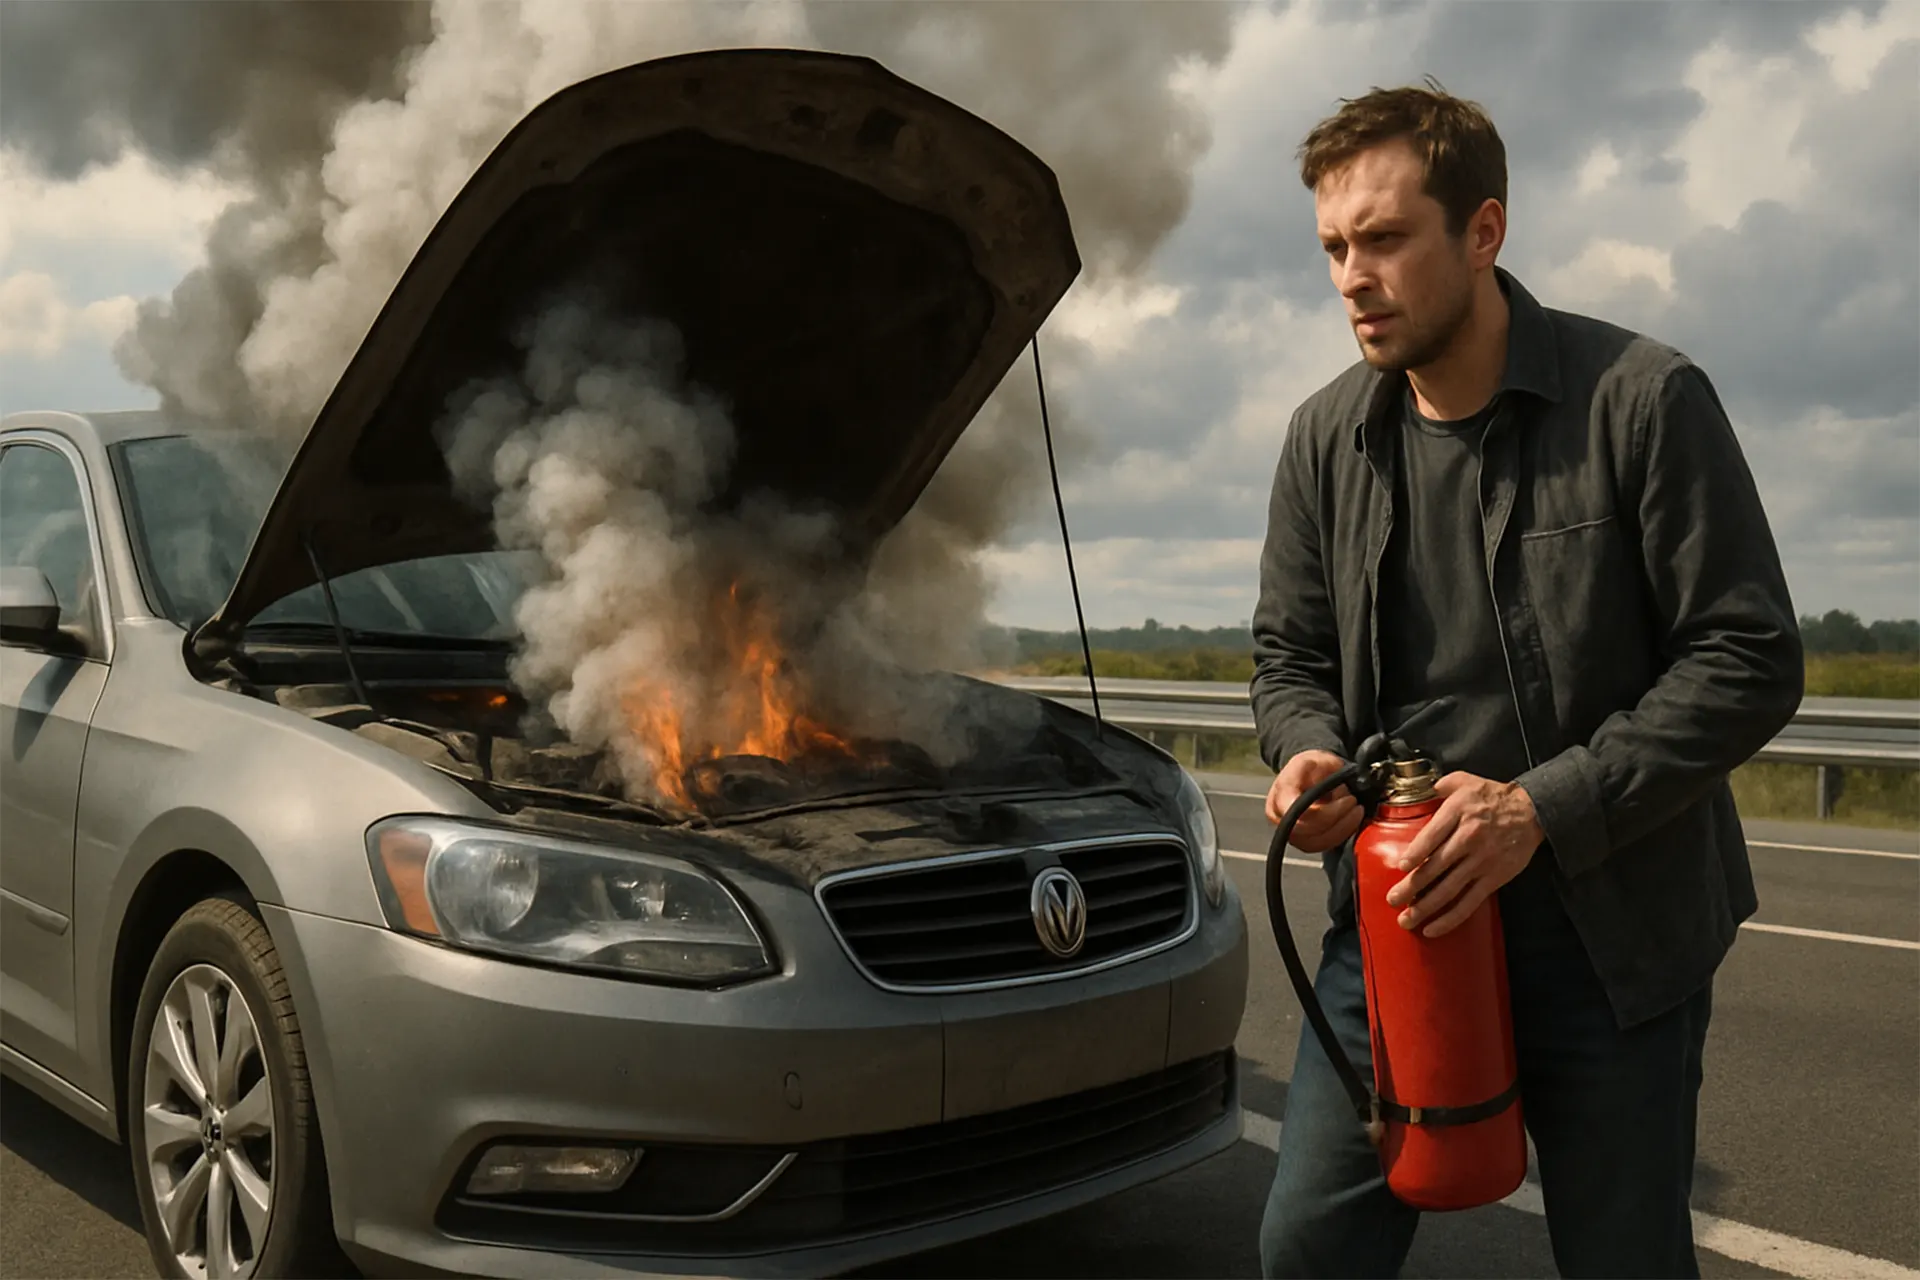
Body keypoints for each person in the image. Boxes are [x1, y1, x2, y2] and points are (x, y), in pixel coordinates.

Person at [1247, 81, 1804, 1279]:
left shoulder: (1643, 400)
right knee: (1308, 1243)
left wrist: (1536, 807)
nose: (1351, 274)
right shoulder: (1320, 438)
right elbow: (1287, 658)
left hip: (1609, 930)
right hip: (1395, 920)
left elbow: (1749, 654)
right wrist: (1303, 747)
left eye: (1385, 239)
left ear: (1484, 230)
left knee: (1623, 1258)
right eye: (1335, 247)